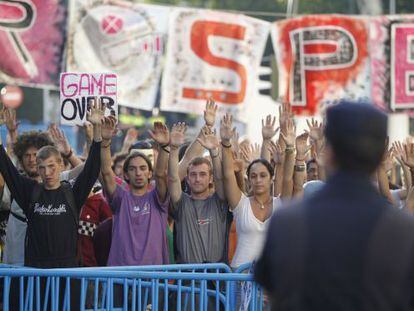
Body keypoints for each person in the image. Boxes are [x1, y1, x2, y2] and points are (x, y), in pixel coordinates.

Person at [255, 101, 414, 310]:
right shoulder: (403, 230)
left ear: (329, 153)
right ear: (380, 158)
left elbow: (270, 284)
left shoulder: (287, 221)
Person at [100, 119, 170, 266]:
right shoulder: (120, 198)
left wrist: (164, 147)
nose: (138, 173)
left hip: (153, 278)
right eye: (132, 169)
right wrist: (105, 141)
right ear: (125, 175)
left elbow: (161, 174)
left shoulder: (158, 198)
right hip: (121, 277)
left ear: (150, 173)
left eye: (143, 168)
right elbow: (106, 172)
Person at [221, 113, 280, 269]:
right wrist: (225, 143)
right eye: (253, 176)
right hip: (241, 275)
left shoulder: (280, 203)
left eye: (263, 175)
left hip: (271, 275)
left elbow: (289, 179)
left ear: (271, 178)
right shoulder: (241, 205)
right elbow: (227, 174)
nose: (258, 180)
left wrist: (268, 141)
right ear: (248, 179)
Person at [168, 123, 229, 264]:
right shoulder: (181, 202)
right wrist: (174, 149)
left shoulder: (218, 201)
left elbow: (221, 178)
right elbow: (172, 178)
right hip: (188, 281)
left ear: (210, 178)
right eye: (193, 175)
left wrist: (214, 152)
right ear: (187, 179)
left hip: (216, 281)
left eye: (202, 174)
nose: (197, 179)